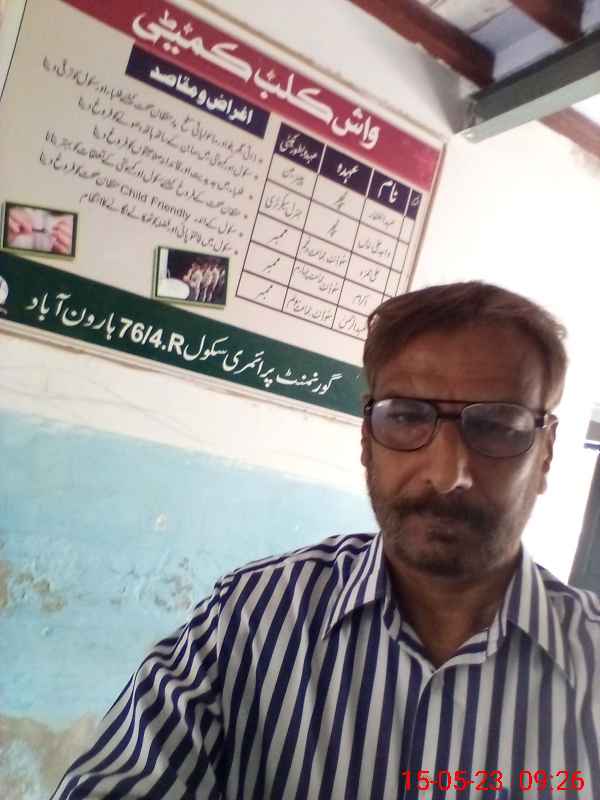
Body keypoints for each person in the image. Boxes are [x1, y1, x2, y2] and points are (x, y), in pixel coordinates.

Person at [51, 282, 600, 799]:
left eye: (499, 426)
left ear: (546, 453)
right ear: (366, 439)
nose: (446, 473)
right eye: (407, 417)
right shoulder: (248, 618)